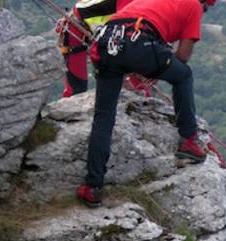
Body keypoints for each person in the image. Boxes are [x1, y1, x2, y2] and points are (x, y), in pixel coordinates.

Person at [76, 0, 214, 207]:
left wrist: (150, 64)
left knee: (103, 117)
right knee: (184, 76)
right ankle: (189, 143)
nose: (203, 13)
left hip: (107, 40)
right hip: (138, 40)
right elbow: (183, 56)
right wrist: (156, 67)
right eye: (207, 8)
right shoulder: (194, 5)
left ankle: (93, 187)